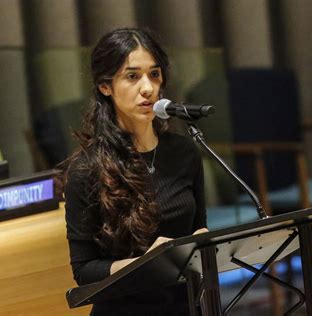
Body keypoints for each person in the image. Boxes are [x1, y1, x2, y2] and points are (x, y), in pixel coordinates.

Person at [61, 28, 208, 315]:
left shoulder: (184, 152)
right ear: (106, 86)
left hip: (186, 305)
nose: (148, 88)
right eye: (132, 76)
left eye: (154, 74)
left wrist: (203, 243)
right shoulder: (86, 170)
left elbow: (197, 227)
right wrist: (150, 261)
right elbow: (84, 270)